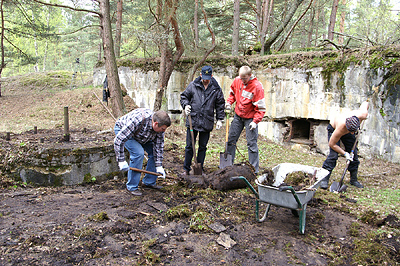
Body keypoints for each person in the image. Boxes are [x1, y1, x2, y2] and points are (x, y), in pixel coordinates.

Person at [114, 108, 171, 196]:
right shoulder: (138, 120)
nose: (164, 131)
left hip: (143, 136)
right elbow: (119, 140)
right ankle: (132, 187)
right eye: (163, 129)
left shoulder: (159, 129)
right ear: (156, 124)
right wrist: (121, 160)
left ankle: (149, 182)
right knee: (138, 154)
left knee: (153, 153)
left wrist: (159, 166)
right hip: (125, 132)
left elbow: (158, 148)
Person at [180, 65, 225, 175]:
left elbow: (220, 104)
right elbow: (184, 96)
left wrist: (220, 119)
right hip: (193, 120)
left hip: (207, 121)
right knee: (190, 146)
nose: (205, 80)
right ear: (200, 75)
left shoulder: (216, 88)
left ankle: (199, 168)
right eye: (204, 77)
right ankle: (186, 169)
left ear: (211, 76)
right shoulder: (193, 85)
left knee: (203, 147)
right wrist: (185, 106)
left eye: (207, 78)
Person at [225, 66, 266, 174]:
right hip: (238, 116)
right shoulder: (237, 81)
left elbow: (261, 108)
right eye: (241, 78)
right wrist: (229, 103)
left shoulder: (257, 87)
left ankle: (254, 170)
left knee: (251, 144)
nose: (242, 81)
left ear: (250, 75)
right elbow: (232, 94)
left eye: (244, 78)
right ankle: (228, 166)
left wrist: (255, 121)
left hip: (250, 118)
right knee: (231, 140)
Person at [320, 101, 369, 189]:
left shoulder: (363, 115)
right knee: (333, 156)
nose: (353, 133)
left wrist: (366, 106)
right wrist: (345, 153)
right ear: (346, 127)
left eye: (354, 131)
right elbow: (332, 144)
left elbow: (365, 103)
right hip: (334, 128)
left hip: (349, 128)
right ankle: (324, 179)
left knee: (354, 154)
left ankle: (353, 180)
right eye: (351, 131)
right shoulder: (340, 128)